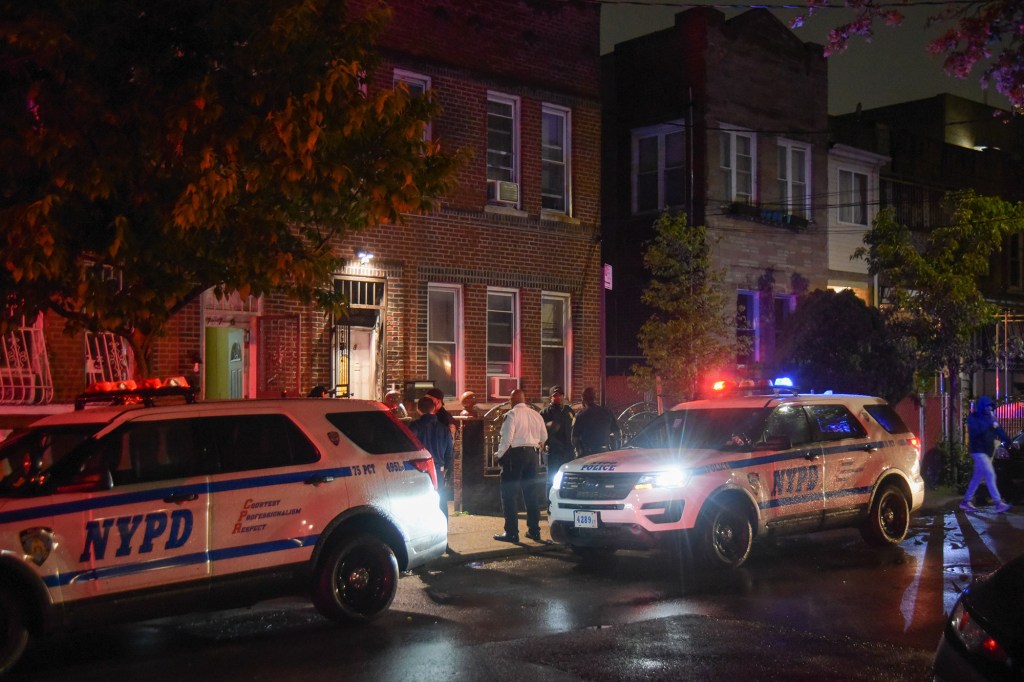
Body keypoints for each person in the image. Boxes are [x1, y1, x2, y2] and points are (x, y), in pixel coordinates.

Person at [493, 389, 547, 544]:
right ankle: (534, 531)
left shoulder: (511, 415)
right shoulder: (536, 414)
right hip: (532, 455)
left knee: (509, 494)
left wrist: (499, 454)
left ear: (512, 400)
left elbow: (507, 438)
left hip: (515, 456)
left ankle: (511, 532)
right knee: (531, 494)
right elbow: (544, 436)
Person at [961, 395, 1013, 513]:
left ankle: (966, 501)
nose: (989, 409)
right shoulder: (973, 417)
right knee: (990, 475)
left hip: (987, 451)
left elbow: (999, 430)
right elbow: (976, 432)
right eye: (987, 407)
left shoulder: (991, 418)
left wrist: (1009, 441)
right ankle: (998, 503)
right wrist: (990, 425)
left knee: (977, 478)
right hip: (978, 451)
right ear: (981, 407)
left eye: (990, 407)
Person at [409, 396, 454, 523]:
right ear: (434, 409)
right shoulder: (444, 428)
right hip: (438, 469)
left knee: (421, 503)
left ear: (418, 409)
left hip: (420, 469)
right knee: (440, 502)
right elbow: (449, 452)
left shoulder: (415, 426)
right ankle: (443, 534)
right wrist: (445, 469)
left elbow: (409, 447)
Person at [539, 385, 574, 502]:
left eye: (560, 395)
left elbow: (574, 427)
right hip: (552, 451)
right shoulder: (545, 412)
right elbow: (540, 432)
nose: (558, 397)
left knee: (567, 479)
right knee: (552, 480)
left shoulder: (569, 411)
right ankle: (550, 505)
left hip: (567, 450)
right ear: (550, 397)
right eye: (555, 395)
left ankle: (566, 501)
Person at [572, 387, 621, 457]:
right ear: (595, 397)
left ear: (583, 399)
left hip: (587, 454)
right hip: (605, 452)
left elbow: (574, 439)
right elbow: (617, 433)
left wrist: (578, 450)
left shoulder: (581, 416)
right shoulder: (607, 412)